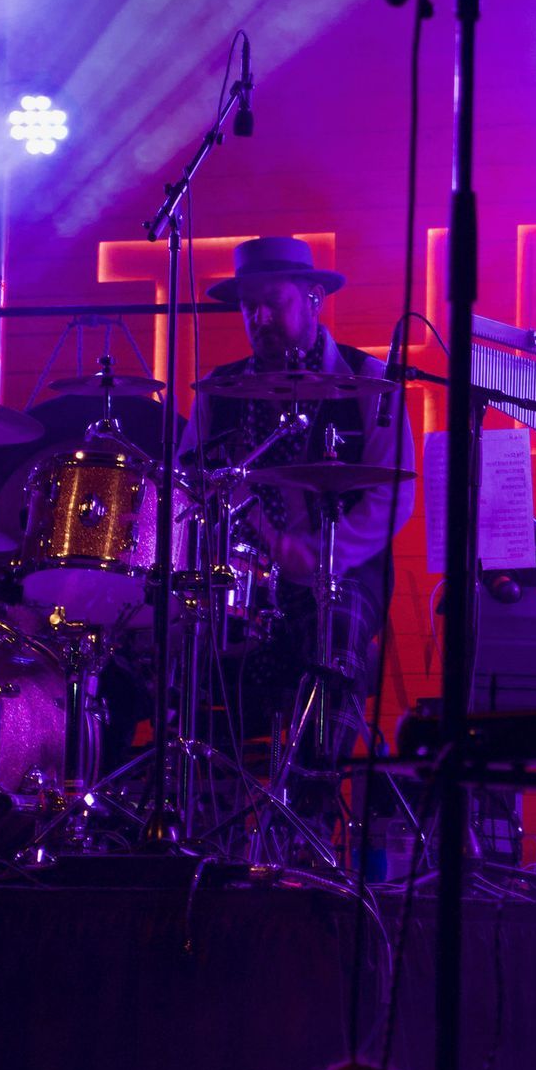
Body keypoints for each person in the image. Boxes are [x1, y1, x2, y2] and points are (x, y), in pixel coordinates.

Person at [180, 236, 417, 766]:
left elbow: (394, 491)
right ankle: (205, 795)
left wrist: (322, 555)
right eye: (248, 306)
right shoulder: (220, 391)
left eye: (273, 302)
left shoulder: (370, 382)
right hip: (238, 575)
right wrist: (254, 535)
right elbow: (190, 479)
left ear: (313, 296)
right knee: (176, 638)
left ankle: (311, 803)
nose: (258, 317)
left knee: (334, 636)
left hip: (344, 571)